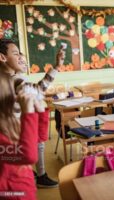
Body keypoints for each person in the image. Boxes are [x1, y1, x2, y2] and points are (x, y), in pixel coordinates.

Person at [0, 39, 65, 188]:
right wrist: (56, 67)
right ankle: (39, 176)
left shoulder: (11, 78)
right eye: (16, 54)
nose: (21, 57)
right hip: (13, 134)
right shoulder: (13, 79)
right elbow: (39, 89)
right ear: (3, 57)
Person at [0, 72, 48, 200]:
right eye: (12, 91)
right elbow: (29, 156)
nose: (18, 96)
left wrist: (40, 111)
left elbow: (40, 138)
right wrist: (28, 113)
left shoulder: (10, 123)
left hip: (25, 191)